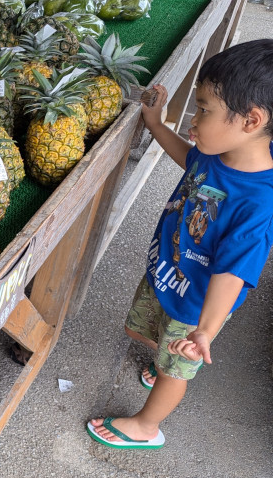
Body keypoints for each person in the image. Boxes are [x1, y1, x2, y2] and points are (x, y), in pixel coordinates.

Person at [88, 39, 273, 449]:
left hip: (197, 308)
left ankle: (146, 425)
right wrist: (156, 126)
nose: (194, 119)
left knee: (176, 370)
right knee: (155, 338)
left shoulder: (257, 204)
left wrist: (204, 332)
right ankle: (163, 363)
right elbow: (189, 160)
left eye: (204, 110)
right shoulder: (219, 149)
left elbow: (233, 273)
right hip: (172, 272)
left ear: (251, 120)